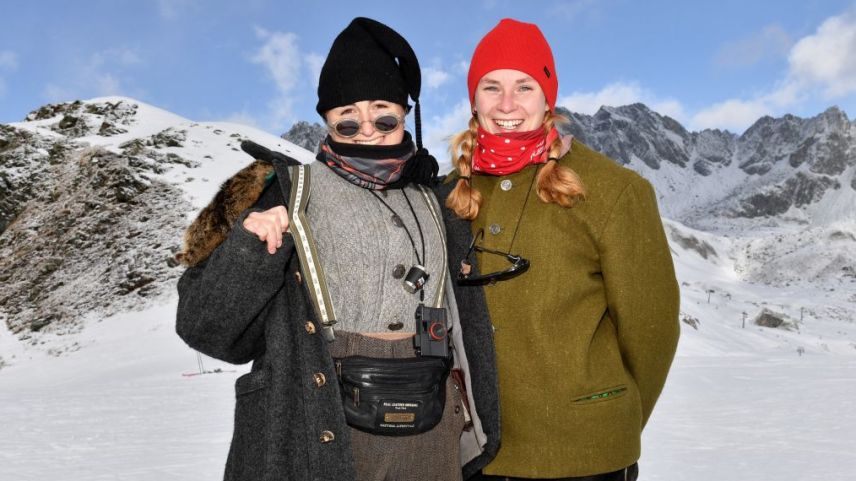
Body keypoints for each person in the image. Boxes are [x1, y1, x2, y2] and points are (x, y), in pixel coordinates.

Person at [175, 17, 499, 481]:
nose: (366, 128)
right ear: (327, 119)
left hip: (431, 432)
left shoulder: (440, 199)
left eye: (383, 113)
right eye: (347, 116)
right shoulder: (281, 190)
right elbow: (207, 331)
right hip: (320, 424)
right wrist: (250, 251)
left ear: (406, 114)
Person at [437, 18, 680, 481]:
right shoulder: (448, 194)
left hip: (586, 456)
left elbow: (651, 333)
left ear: (548, 97)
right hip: (474, 456)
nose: (507, 104)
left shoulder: (614, 190)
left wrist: (608, 418)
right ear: (473, 98)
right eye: (491, 87)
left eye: (524, 86)